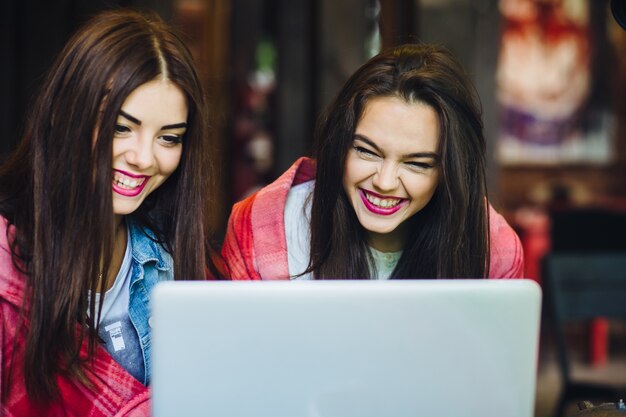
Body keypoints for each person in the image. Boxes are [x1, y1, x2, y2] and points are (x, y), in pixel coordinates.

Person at [0, 9, 222, 415]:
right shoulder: (6, 267)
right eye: (121, 127)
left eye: (168, 138)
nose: (143, 158)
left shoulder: (170, 262)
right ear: (64, 115)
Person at [223, 43, 524, 280]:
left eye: (417, 164)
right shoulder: (265, 229)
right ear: (339, 145)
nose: (385, 181)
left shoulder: (493, 250)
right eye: (366, 151)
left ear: (448, 172)